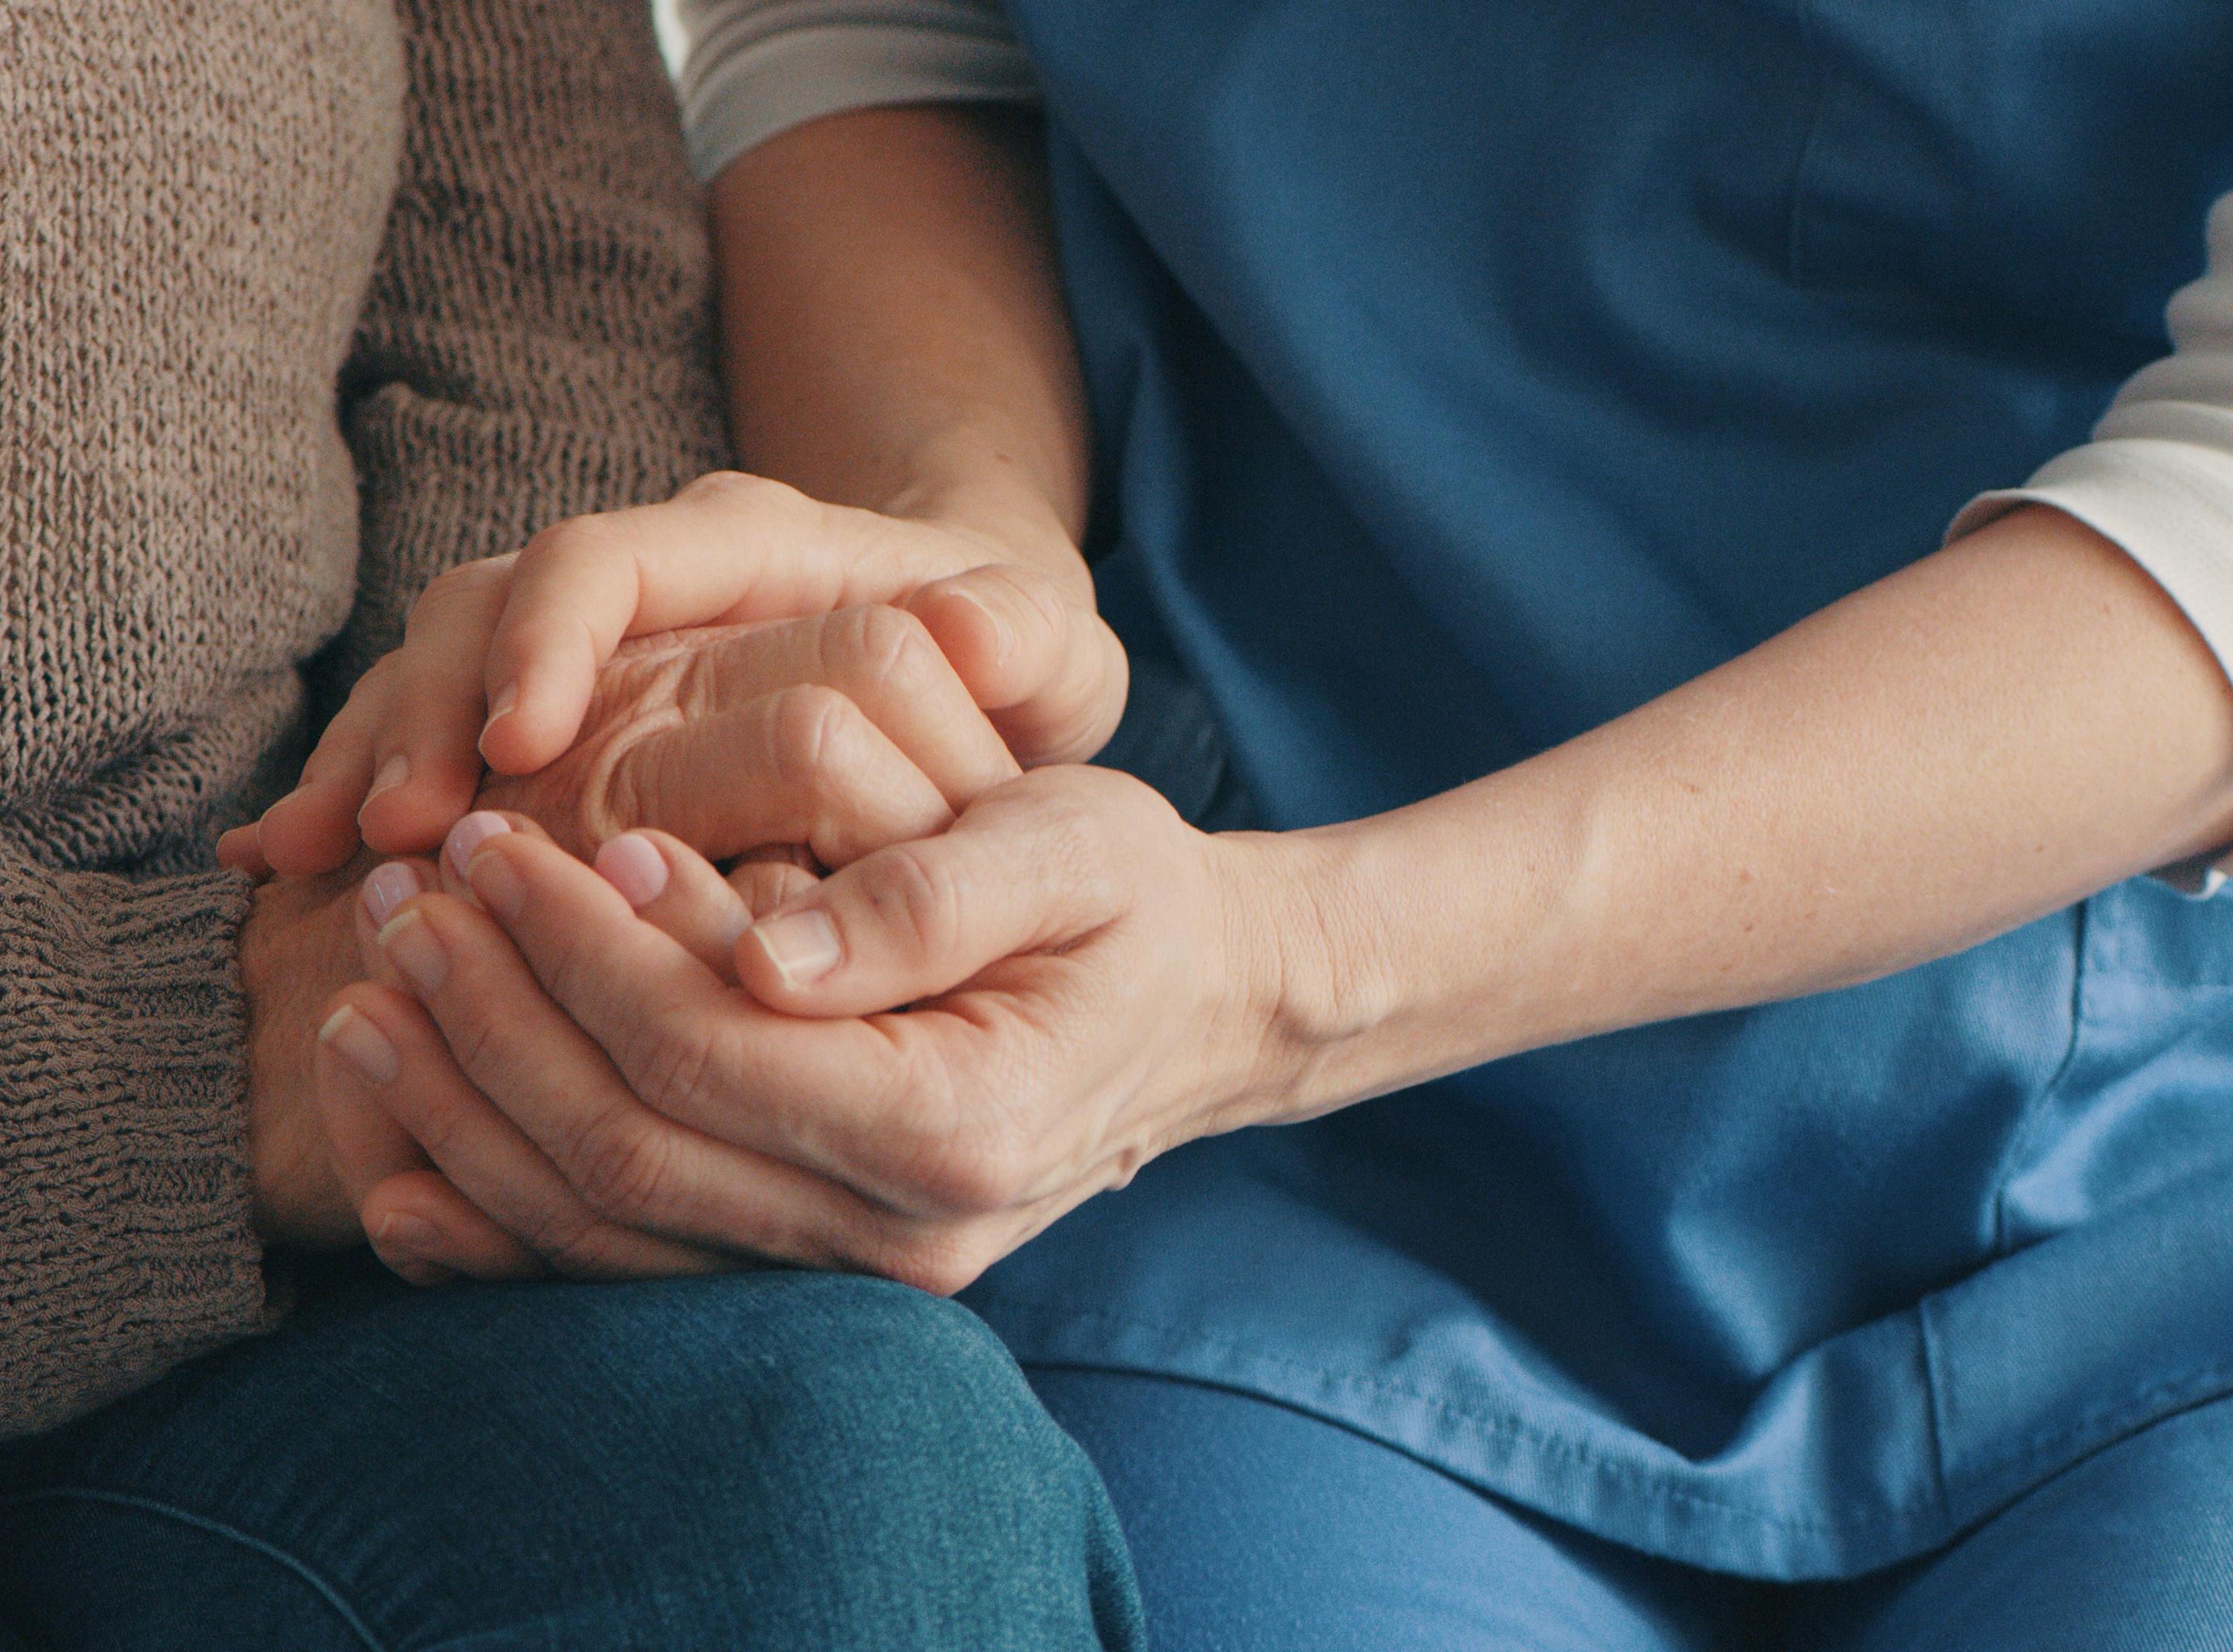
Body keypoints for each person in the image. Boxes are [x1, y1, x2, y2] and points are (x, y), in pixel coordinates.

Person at [243, 0, 2233, 1645]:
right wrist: (959, 569)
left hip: (2129, 1185)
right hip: (1251, 1180)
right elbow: (882, 29)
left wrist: (1289, 974)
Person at [0, 3, 1143, 1647]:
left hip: (325, 1182)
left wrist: (536, 839)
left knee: (857, 1497)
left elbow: (543, 291)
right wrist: (222, 1059)